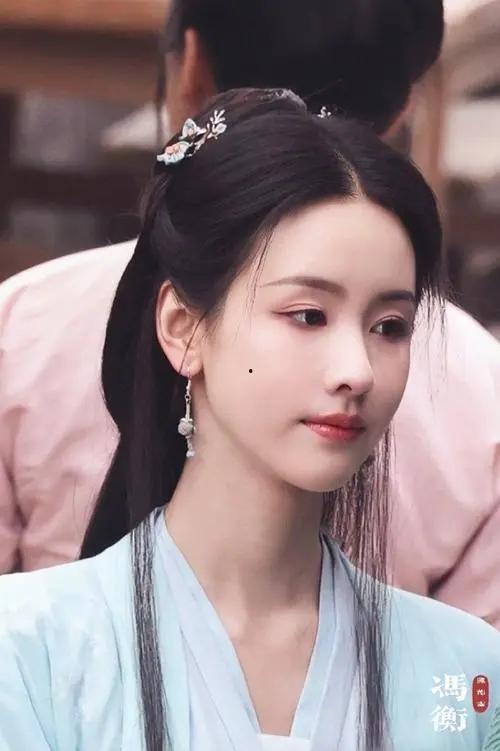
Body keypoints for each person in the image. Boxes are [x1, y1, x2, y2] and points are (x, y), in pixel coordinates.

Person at [1, 87, 499, 751]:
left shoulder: (465, 671)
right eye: (308, 315)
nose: (356, 370)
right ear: (183, 327)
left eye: (390, 326)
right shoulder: (28, 651)